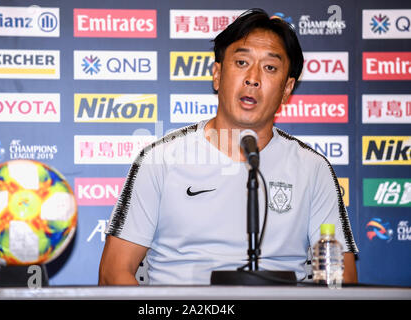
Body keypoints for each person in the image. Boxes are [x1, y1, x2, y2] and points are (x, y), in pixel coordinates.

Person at [99, 8, 358, 285]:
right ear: (217, 74)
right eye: (242, 62)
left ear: (286, 89)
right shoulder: (160, 159)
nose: (253, 78)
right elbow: (113, 272)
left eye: (270, 67)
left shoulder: (312, 169)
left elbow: (341, 280)